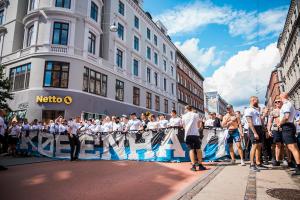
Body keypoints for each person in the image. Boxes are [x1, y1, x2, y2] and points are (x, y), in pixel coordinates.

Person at [278, 93, 300, 176]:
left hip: (287, 126)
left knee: (292, 147)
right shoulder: (287, 104)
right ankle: (297, 165)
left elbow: (286, 116)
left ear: (282, 97)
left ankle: (298, 167)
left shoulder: (286, 105)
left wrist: (280, 123)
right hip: (288, 126)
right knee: (293, 147)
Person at [245, 96, 267, 172]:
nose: (258, 102)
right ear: (253, 100)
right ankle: (251, 164)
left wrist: (264, 128)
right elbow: (250, 122)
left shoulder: (256, 110)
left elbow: (260, 120)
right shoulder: (248, 110)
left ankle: (258, 163)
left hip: (259, 128)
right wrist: (254, 133)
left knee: (259, 146)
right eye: (257, 100)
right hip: (253, 128)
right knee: (254, 146)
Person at [182, 105, 206, 171]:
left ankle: (193, 166)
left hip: (188, 134)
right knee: (198, 149)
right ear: (191, 109)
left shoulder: (183, 116)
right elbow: (198, 125)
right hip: (195, 134)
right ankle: (200, 165)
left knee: (191, 150)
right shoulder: (196, 115)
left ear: (186, 109)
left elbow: (183, 126)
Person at [267, 98, 283, 166]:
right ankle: (277, 160)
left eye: (279, 101)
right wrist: (269, 130)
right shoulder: (273, 112)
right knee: (278, 144)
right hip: (276, 129)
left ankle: (286, 159)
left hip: (285, 129)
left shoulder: (284, 110)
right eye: (276, 102)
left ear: (281, 102)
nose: (277, 103)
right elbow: (269, 122)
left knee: (285, 145)